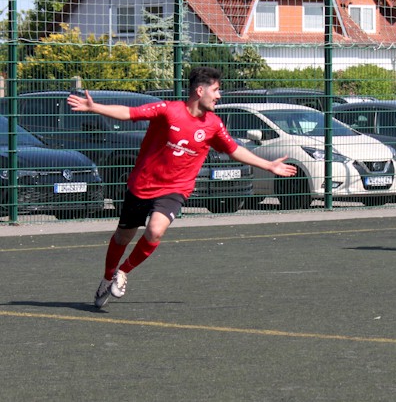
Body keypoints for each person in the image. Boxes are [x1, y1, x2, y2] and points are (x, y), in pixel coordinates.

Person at [67, 67, 298, 308]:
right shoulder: (168, 110)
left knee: (155, 230)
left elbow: (234, 150)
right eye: (216, 90)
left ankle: (123, 272)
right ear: (200, 91)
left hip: (175, 189)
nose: (219, 96)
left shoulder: (214, 124)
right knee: (123, 236)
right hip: (142, 185)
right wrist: (95, 108)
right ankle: (107, 278)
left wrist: (268, 164)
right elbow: (129, 113)